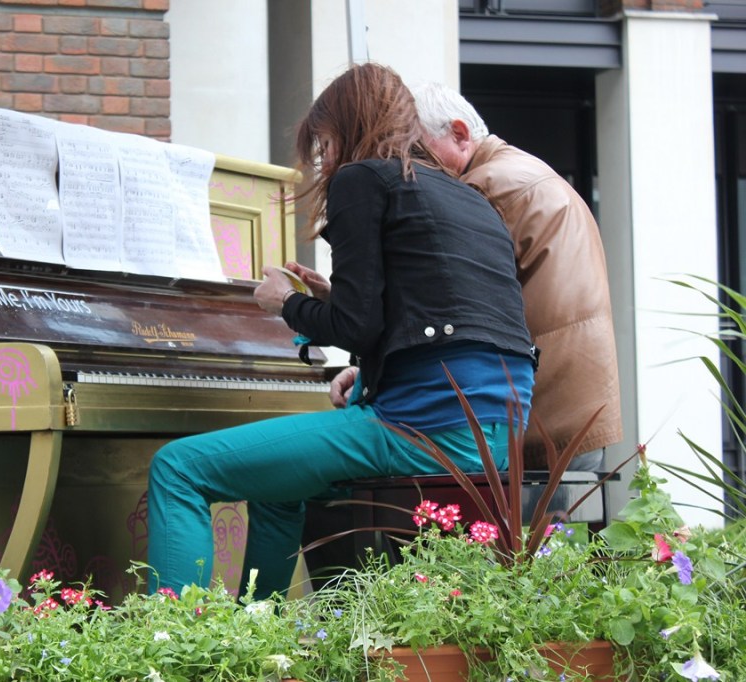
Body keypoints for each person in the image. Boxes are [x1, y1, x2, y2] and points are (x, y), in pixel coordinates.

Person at [146, 63, 536, 599]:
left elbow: (356, 327)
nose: (325, 161)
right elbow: (432, 312)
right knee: (279, 489)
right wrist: (332, 299)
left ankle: (172, 641)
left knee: (178, 468)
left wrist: (285, 304)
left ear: (350, 129)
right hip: (500, 434)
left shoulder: (362, 178)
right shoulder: (468, 197)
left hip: (427, 427)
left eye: (325, 145)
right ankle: (258, 628)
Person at [324, 83, 622, 470]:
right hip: (576, 407)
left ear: (460, 134)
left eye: (418, 150)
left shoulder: (482, 189)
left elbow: (445, 307)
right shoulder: (528, 171)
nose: (409, 165)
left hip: (533, 416)